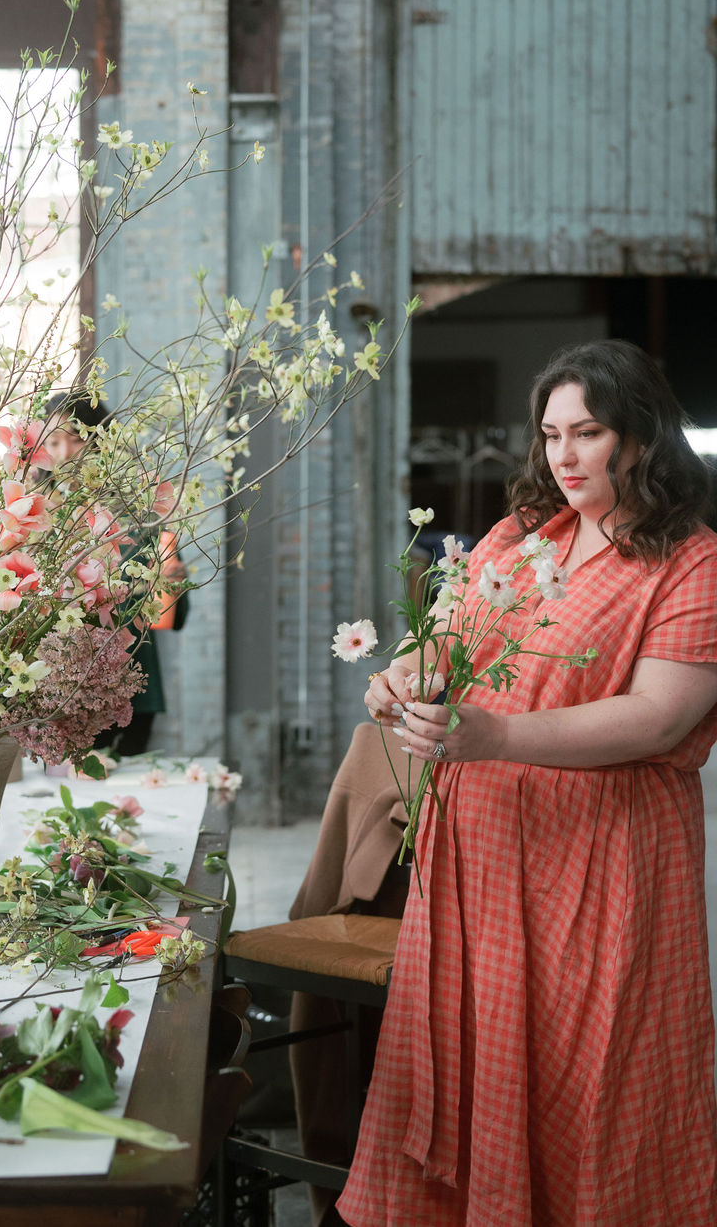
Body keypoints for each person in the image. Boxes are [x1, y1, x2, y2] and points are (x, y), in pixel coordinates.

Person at [339, 339, 717, 1226]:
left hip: (599, 856)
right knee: (479, 1054)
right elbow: (448, 644)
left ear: (643, 437)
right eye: (552, 434)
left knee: (592, 1066)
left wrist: (499, 733)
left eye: (589, 432)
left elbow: (661, 715)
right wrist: (403, 675)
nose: (566, 456)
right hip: (475, 848)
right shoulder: (520, 535)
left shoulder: (693, 562)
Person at [40, 391, 188, 757]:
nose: (64, 453)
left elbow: (169, 609)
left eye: (76, 440)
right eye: (53, 441)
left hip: (132, 674)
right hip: (60, 681)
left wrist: (171, 584)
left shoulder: (134, 502)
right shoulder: (33, 508)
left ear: (99, 440)